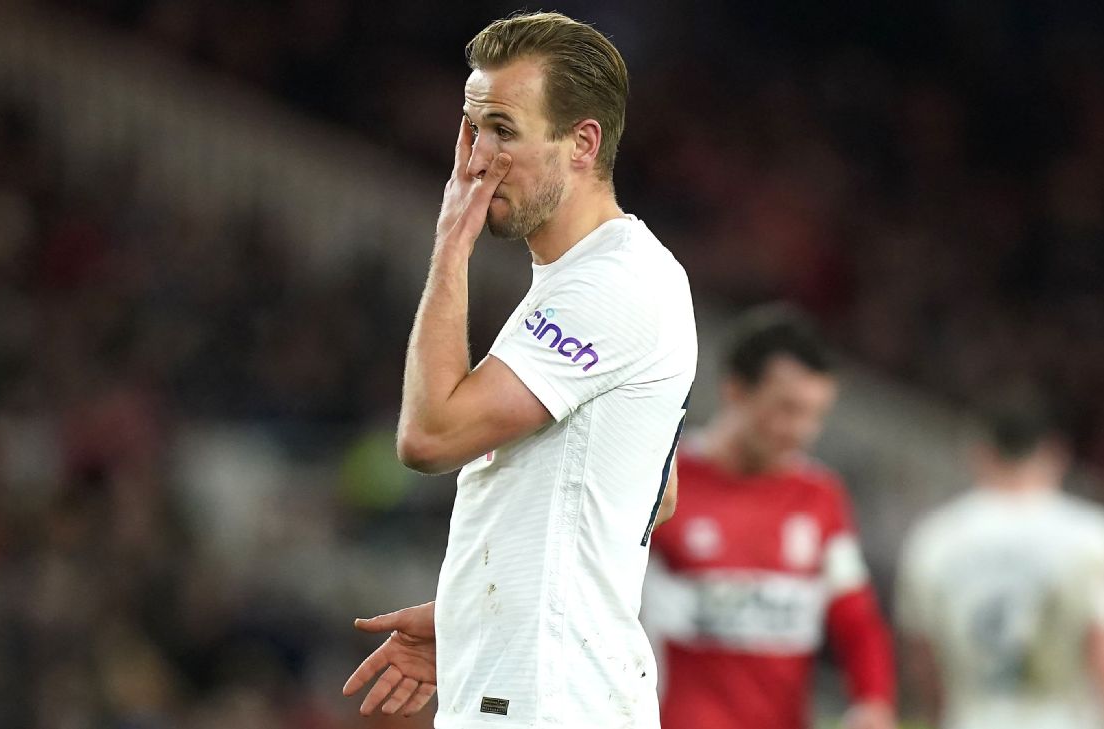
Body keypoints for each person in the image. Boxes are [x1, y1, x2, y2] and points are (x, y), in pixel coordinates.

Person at [341, 11, 697, 729]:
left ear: (581, 143)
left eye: (503, 129)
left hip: (554, 703)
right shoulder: (589, 279)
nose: (474, 159)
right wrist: (483, 609)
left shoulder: (613, 284)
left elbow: (429, 435)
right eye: (471, 130)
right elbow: (648, 495)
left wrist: (449, 246)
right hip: (544, 689)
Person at [642, 305, 896, 729]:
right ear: (736, 391)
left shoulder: (819, 497)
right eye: (788, 409)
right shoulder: (665, 483)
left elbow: (856, 619)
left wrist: (873, 702)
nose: (802, 431)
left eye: (816, 414)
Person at [895, 393, 1104, 729]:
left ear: (979, 452)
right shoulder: (1091, 536)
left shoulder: (932, 539)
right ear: (1056, 453)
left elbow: (924, 667)